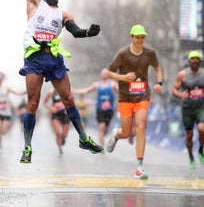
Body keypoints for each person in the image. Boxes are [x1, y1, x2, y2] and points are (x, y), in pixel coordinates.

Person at [8, 0, 103, 163]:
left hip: (53, 58)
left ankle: (82, 138)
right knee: (33, 102)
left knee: (69, 98)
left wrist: (88, 32)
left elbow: (76, 31)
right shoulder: (34, 1)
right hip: (34, 59)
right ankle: (28, 147)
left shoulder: (63, 14)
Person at [105, 24, 163, 179]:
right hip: (125, 97)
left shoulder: (150, 53)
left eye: (143, 37)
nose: (140, 40)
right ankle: (116, 135)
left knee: (140, 126)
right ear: (131, 37)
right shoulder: (123, 54)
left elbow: (158, 68)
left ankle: (139, 167)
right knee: (127, 132)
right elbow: (108, 73)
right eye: (137, 37)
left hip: (143, 95)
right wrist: (123, 78)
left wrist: (159, 83)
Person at [172, 50, 204, 169]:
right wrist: (180, 95)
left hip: (201, 107)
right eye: (193, 58)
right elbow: (174, 90)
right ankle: (191, 156)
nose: (195, 61)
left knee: (202, 129)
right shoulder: (182, 75)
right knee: (189, 135)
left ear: (200, 61)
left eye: (197, 59)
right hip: (187, 109)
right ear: (189, 61)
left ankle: (201, 150)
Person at [74, 68, 118, 147]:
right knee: (101, 127)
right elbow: (85, 91)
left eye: (106, 73)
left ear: (108, 75)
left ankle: (106, 137)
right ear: (101, 75)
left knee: (106, 129)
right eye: (103, 73)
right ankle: (102, 146)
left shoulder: (113, 84)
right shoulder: (97, 84)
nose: (104, 74)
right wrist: (73, 91)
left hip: (110, 109)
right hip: (100, 108)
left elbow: (120, 90)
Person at [43, 88, 71, 154]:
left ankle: (62, 138)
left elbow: (71, 100)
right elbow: (44, 102)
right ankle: (60, 147)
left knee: (64, 135)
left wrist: (68, 108)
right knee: (57, 132)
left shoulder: (65, 89)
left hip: (64, 114)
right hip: (56, 114)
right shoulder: (51, 91)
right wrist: (51, 108)